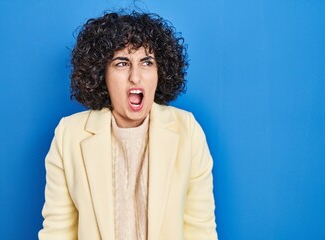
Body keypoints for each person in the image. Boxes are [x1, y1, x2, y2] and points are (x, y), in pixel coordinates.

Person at [38, 10, 217, 240]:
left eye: (146, 62)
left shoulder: (188, 131)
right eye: (122, 63)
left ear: (160, 71)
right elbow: (57, 233)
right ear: (101, 73)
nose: (135, 76)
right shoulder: (68, 135)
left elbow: (200, 231)